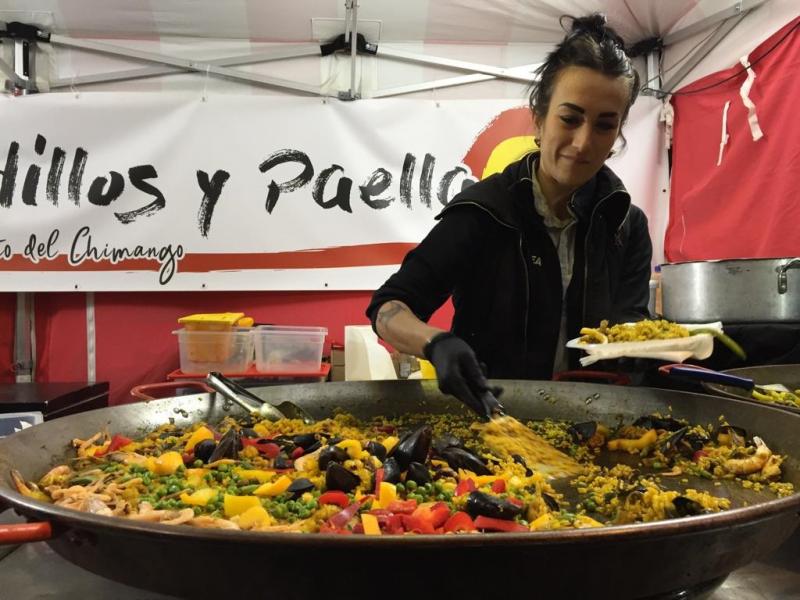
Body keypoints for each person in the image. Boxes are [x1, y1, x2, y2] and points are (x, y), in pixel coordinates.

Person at [366, 13, 653, 419]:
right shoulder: (483, 212)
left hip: (596, 426)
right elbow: (388, 307)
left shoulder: (626, 225)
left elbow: (630, 328)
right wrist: (436, 343)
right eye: (570, 119)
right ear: (539, 116)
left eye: (605, 126)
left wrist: (650, 351)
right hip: (493, 422)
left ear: (619, 132)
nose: (583, 142)